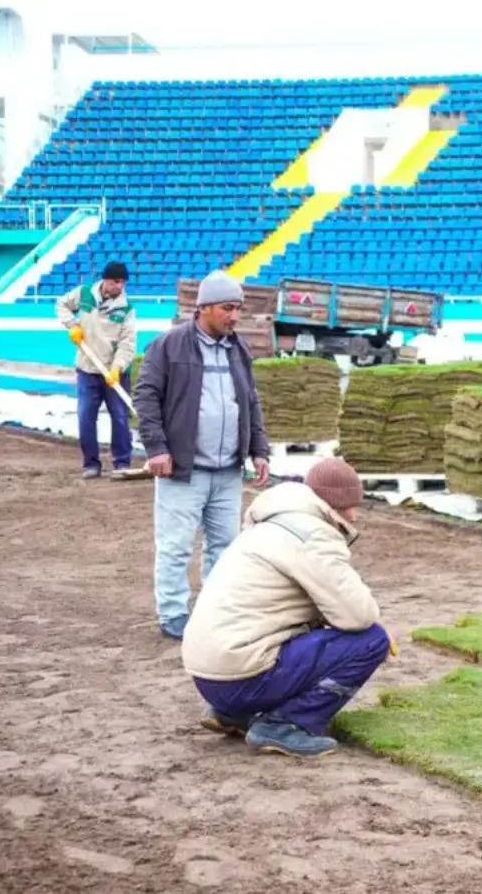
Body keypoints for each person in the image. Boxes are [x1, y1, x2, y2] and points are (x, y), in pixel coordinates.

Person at [182, 458, 395, 758]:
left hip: (210, 676)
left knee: (310, 633)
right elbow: (359, 615)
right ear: (336, 503)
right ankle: (287, 725)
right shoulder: (313, 535)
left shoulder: (272, 523)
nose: (356, 515)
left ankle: (231, 714)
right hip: (241, 677)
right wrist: (377, 630)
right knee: (372, 640)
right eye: (352, 504)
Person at [134, 269, 272, 640]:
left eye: (239, 309)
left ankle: (215, 611)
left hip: (228, 470)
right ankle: (173, 613)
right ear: (205, 308)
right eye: (229, 308)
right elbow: (145, 397)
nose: (235, 316)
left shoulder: (238, 349)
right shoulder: (169, 346)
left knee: (225, 548)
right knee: (176, 546)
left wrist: (259, 450)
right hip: (184, 470)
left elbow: (250, 403)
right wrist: (158, 449)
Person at [56, 262, 138, 479]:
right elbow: (62, 305)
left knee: (120, 417)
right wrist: (72, 325)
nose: (119, 286)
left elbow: (127, 344)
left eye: (123, 282)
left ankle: (122, 462)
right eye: (116, 282)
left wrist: (117, 368)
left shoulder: (126, 308)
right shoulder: (84, 294)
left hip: (114, 373)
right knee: (85, 416)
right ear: (105, 280)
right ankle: (91, 463)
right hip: (87, 369)